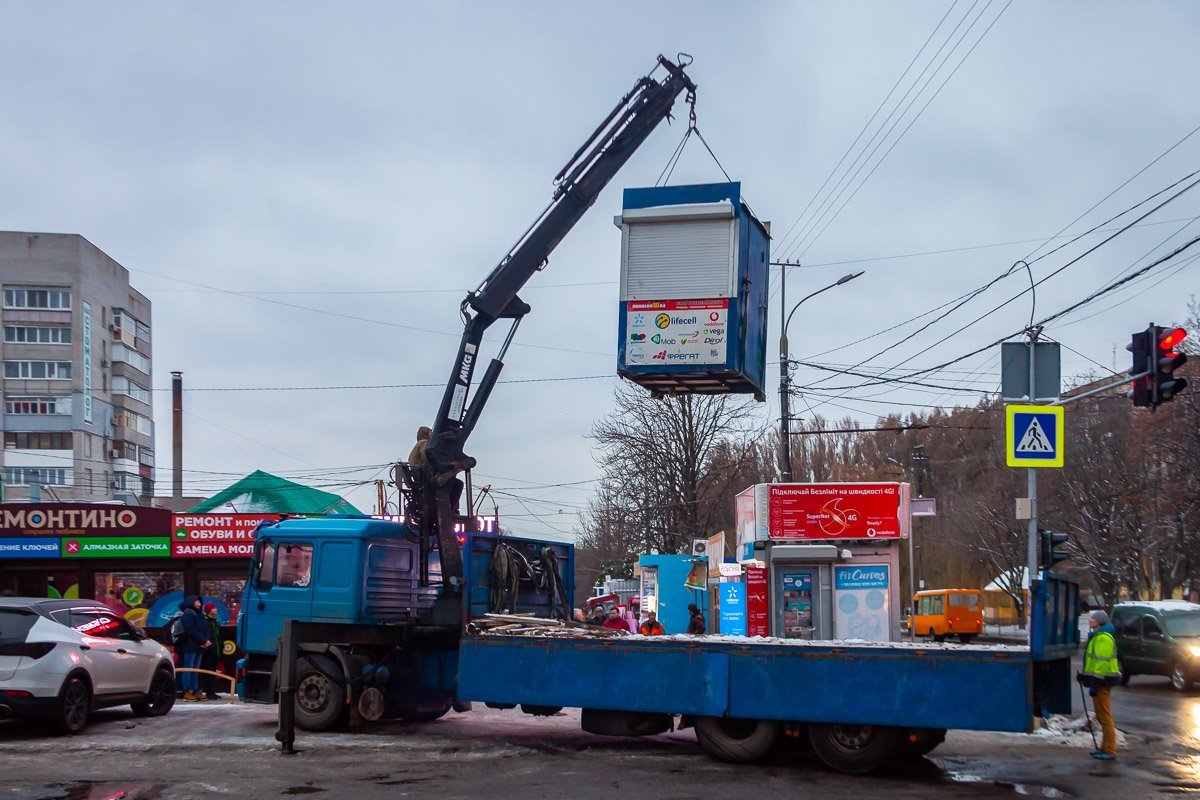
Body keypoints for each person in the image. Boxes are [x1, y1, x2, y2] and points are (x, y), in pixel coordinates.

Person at [1079, 609, 1122, 761]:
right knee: (1102, 716)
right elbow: (1093, 662)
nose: (1090, 620)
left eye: (1093, 618)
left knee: (1105, 716)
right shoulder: (1098, 636)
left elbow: (1101, 664)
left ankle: (1110, 749)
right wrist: (1085, 676)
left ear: (1100, 622)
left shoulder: (1103, 638)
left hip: (1102, 682)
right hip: (1100, 681)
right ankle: (1105, 747)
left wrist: (1095, 684)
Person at [178, 596, 211, 702]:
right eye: (196, 601)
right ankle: (187, 691)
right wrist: (203, 641)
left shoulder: (199, 614)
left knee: (195, 669)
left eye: (199, 601)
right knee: (189, 668)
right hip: (191, 644)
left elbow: (205, 628)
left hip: (199, 644)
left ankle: (195, 690)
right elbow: (191, 630)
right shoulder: (188, 613)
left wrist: (206, 641)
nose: (199, 603)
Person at [199, 603, 223, 700]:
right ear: (209, 610)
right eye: (214, 608)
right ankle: (209, 692)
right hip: (208, 650)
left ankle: (212, 691)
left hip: (216, 649)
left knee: (213, 671)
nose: (216, 609)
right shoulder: (205, 621)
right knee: (208, 671)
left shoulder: (216, 621)